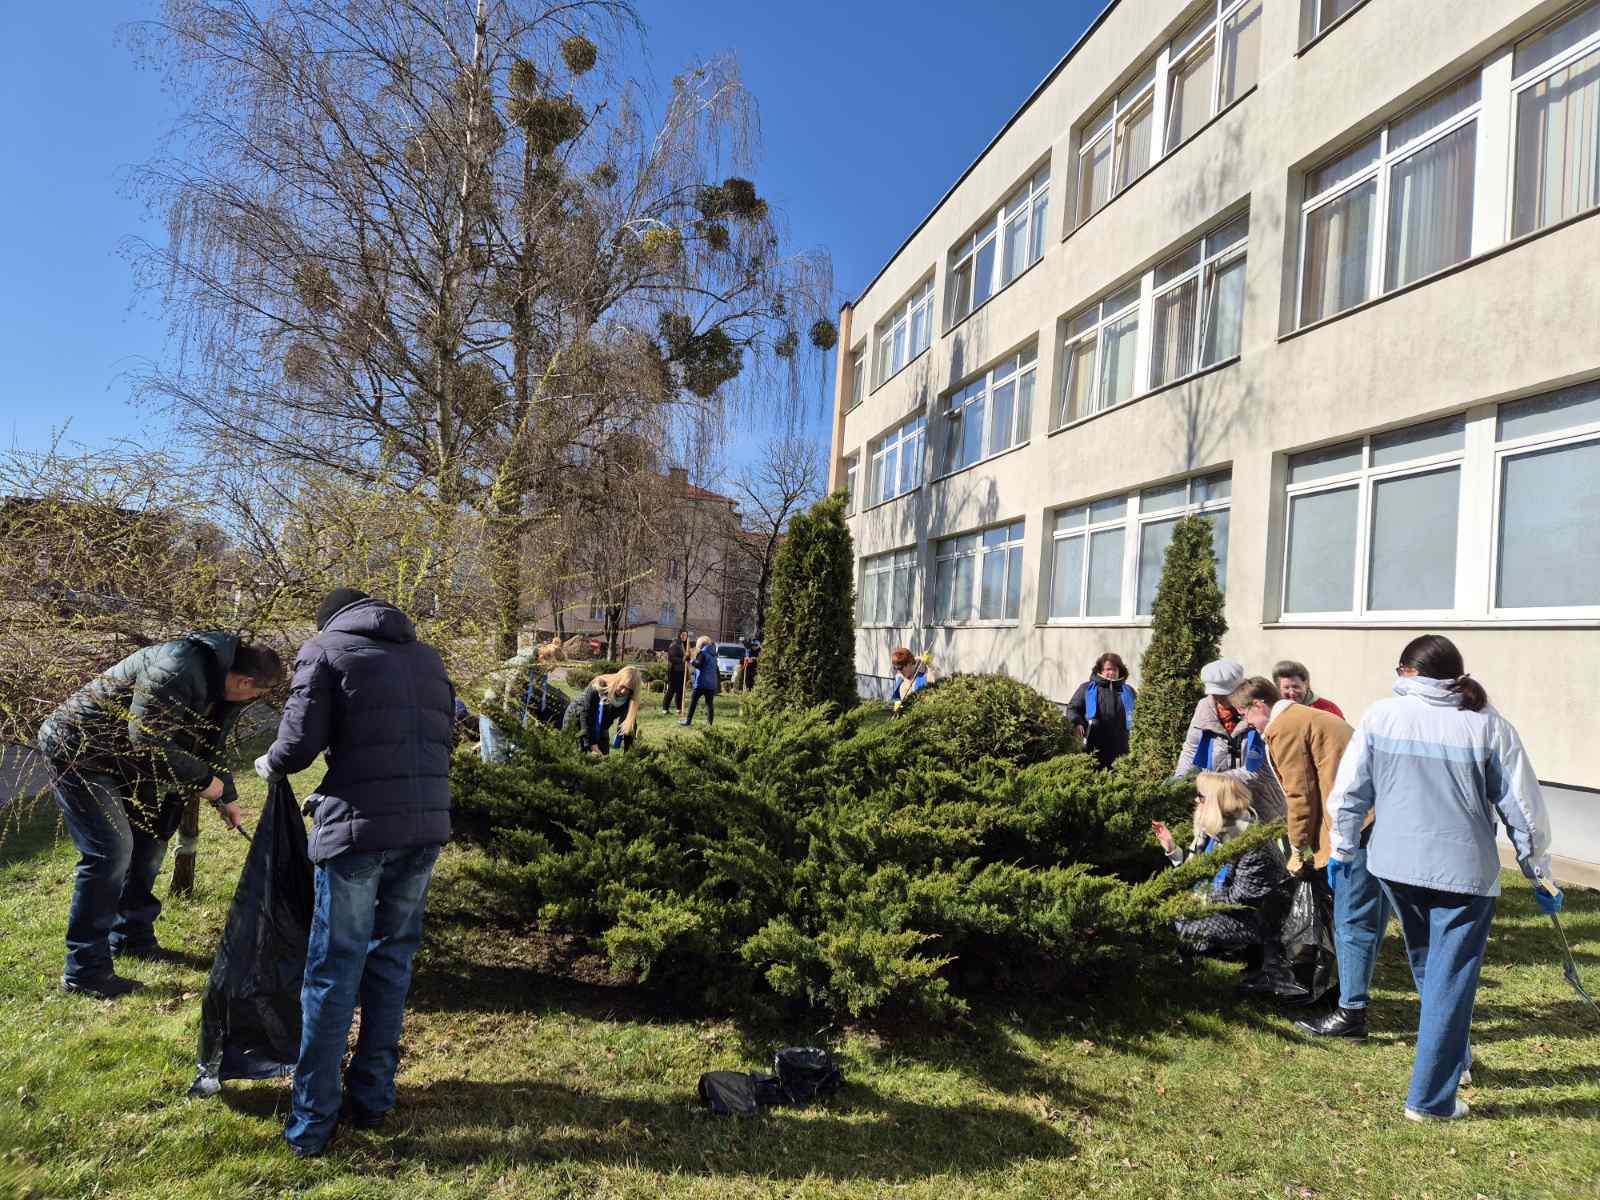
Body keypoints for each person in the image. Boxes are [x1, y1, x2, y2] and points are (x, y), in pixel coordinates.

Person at [1322, 635, 1556, 1122]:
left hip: (1394, 867)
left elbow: (1348, 793)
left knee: (1432, 969)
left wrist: (1342, 849)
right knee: (1449, 978)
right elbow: (1523, 808)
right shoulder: (1487, 725)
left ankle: (1455, 1060)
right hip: (1463, 873)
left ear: (1409, 671)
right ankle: (1430, 1101)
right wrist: (1538, 872)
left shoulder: (1381, 716)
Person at [256, 588, 455, 1157]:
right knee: (391, 963)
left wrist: (269, 763)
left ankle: (313, 1122)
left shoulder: (324, 649)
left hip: (359, 833)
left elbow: (297, 745)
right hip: (424, 828)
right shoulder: (427, 657)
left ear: (330, 620)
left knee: (333, 972)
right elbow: (446, 732)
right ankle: (372, 1099)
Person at [37, 632, 283, 998]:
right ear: (245, 682)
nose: (253, 700)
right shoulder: (177, 667)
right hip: (80, 750)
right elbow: (147, 740)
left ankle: (131, 937)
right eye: (256, 694)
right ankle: (84, 970)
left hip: (128, 760)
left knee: (151, 842)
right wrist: (206, 783)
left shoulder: (223, 688)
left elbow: (208, 745)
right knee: (111, 852)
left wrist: (226, 796)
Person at [1153, 771, 1292, 984]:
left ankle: (1196, 975)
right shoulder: (1219, 831)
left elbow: (1242, 899)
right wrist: (1172, 850)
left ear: (1216, 803)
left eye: (1201, 796)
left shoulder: (1253, 845)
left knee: (1179, 925)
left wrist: (1197, 901)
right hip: (1221, 906)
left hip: (1249, 923)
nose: (1196, 801)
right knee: (1164, 912)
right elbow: (1195, 872)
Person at [1174, 658, 1265, 777]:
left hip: (1251, 787)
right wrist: (1180, 778)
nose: (1217, 698)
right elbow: (1191, 751)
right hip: (1213, 787)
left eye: (1223, 694)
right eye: (1214, 693)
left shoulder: (1256, 709)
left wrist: (1218, 780)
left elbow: (1261, 764)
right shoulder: (1204, 708)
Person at [1065, 652, 1136, 769]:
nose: (1111, 673)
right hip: (1094, 745)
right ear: (1100, 670)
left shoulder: (1129, 691)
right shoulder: (1087, 688)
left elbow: (1138, 713)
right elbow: (1073, 708)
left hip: (1121, 747)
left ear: (1120, 671)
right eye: (1107, 669)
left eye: (1114, 669)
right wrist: (1077, 723)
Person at [563, 666, 642, 755]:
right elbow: (586, 716)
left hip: (602, 724)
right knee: (579, 753)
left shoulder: (629, 698)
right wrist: (592, 745)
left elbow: (629, 726)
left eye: (629, 690)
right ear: (618, 680)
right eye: (623, 686)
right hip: (577, 719)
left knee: (603, 755)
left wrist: (630, 755)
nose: (624, 691)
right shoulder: (598, 686)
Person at [1273, 659, 1344, 720]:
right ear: (1278, 688)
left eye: (1296, 687)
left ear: (1306, 684)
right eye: (1286, 688)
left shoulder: (1327, 709)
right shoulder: (1274, 711)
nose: (1292, 693)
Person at [680, 636, 720, 727]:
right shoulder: (714, 655)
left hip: (701, 683)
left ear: (701, 645)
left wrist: (690, 660)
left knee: (693, 701)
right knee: (709, 704)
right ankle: (709, 724)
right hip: (711, 684)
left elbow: (699, 664)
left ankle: (688, 721)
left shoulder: (703, 653)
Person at [662, 631, 688, 715]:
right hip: (674, 671)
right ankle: (665, 709)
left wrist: (688, 657)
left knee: (680, 691)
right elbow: (672, 658)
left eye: (686, 635)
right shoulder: (674, 645)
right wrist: (682, 659)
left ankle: (679, 709)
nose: (684, 637)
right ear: (679, 635)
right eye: (683, 635)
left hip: (681, 671)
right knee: (671, 690)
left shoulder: (683, 645)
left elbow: (685, 656)